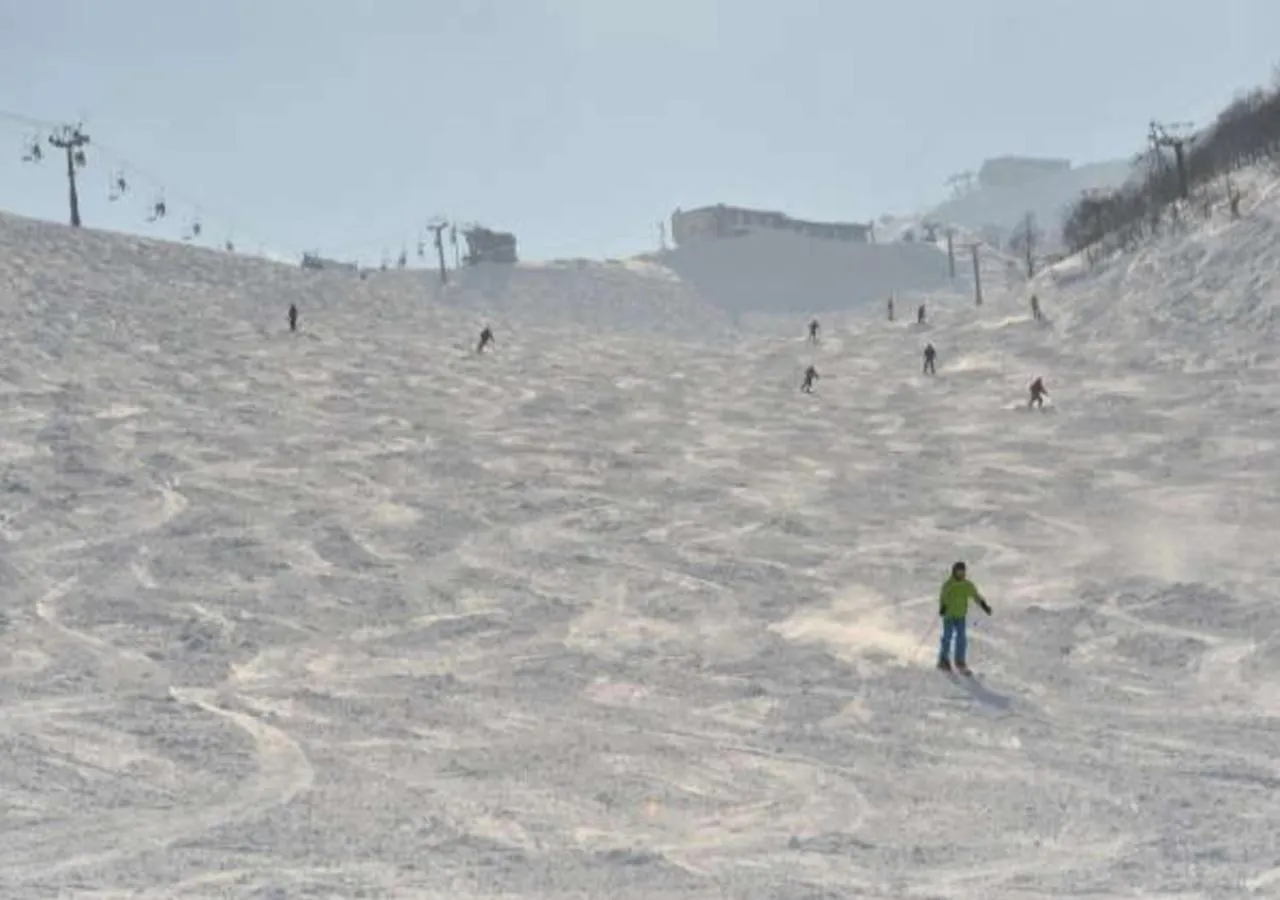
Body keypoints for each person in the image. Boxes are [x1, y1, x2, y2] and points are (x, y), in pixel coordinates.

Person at [938, 561, 992, 674]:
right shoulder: (949, 584)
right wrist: (943, 607)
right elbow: (943, 596)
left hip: (960, 616)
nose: (961, 574)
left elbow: (975, 596)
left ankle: (960, 660)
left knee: (961, 638)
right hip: (949, 616)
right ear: (954, 572)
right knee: (947, 636)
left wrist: (984, 606)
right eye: (959, 572)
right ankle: (943, 659)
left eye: (963, 572)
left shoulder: (967, 585)